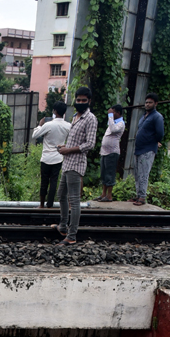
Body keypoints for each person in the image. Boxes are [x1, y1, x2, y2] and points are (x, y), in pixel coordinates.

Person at [54, 86, 98, 245]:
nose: (80, 102)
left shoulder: (90, 118)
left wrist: (69, 150)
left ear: (89, 101)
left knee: (74, 199)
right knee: (61, 194)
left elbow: (90, 144)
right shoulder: (75, 116)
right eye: (78, 100)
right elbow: (75, 141)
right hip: (67, 163)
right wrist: (64, 147)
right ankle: (63, 226)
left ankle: (71, 236)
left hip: (76, 163)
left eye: (83, 100)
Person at [32, 100, 71, 208]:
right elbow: (72, 140)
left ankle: (41, 205)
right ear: (64, 112)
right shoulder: (68, 126)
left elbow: (34, 135)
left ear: (54, 111)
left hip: (46, 157)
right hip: (59, 157)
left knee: (44, 181)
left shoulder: (48, 125)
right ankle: (50, 204)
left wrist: (40, 125)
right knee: (54, 181)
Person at [133, 93, 164, 206]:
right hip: (139, 148)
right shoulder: (144, 116)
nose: (147, 104)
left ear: (155, 103)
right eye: (146, 102)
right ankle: (138, 195)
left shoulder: (157, 117)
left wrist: (154, 141)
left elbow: (160, 133)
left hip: (148, 149)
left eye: (150, 102)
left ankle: (142, 197)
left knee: (143, 174)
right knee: (137, 173)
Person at [97, 104, 125, 202]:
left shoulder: (120, 123)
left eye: (113, 112)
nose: (111, 114)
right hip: (104, 152)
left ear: (118, 113)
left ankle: (109, 196)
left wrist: (110, 116)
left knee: (110, 173)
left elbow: (113, 129)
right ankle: (103, 194)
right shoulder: (112, 122)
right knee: (103, 173)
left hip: (112, 152)